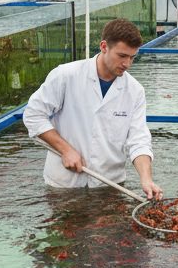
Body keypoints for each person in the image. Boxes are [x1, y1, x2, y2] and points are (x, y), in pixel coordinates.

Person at [23, 18, 162, 199]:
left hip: (109, 184)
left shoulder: (135, 91)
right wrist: (65, 149)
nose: (127, 64)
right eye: (122, 56)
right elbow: (33, 115)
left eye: (132, 57)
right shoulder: (66, 76)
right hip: (65, 184)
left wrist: (146, 178)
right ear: (104, 47)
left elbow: (138, 139)